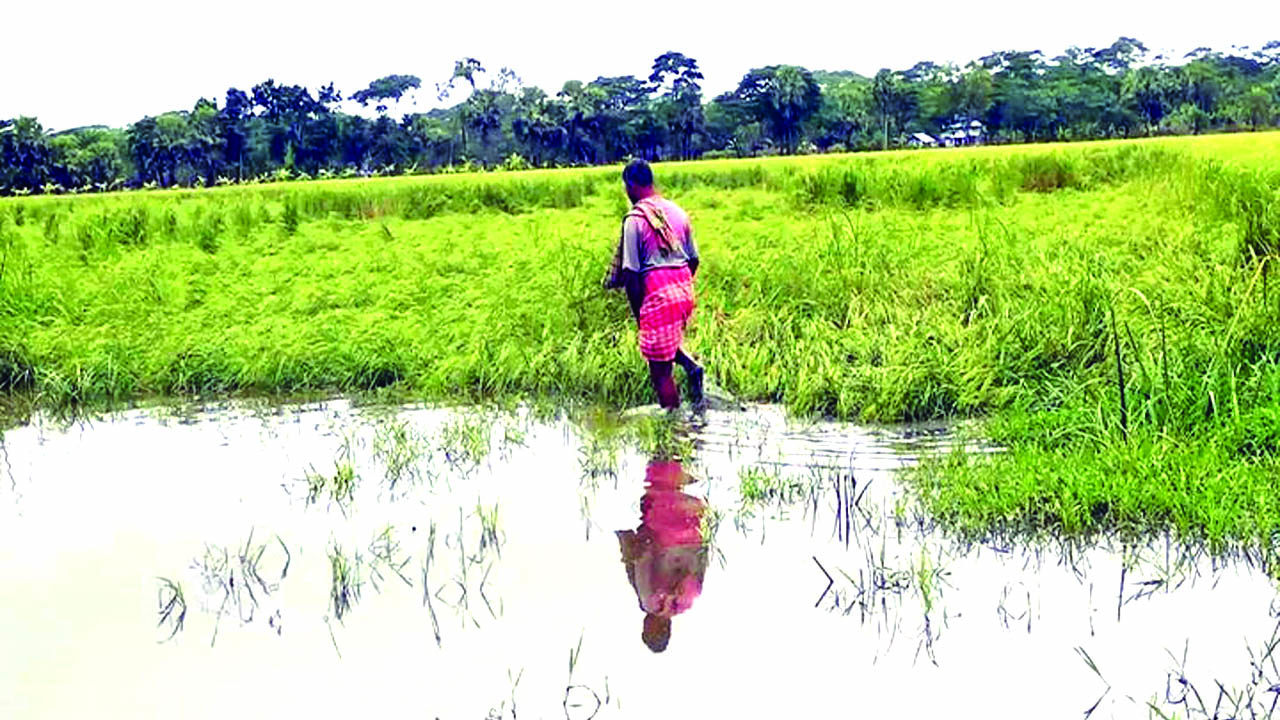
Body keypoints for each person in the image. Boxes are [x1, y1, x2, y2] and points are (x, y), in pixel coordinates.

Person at [604, 159, 705, 410]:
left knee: (660, 372)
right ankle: (692, 367)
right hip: (683, 289)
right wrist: (677, 287)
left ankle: (673, 430)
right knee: (666, 341)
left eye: (626, 187)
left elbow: (631, 275)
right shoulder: (677, 211)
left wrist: (640, 315)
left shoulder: (634, 220)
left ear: (630, 185)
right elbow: (694, 259)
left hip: (658, 294)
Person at [616, 458, 709, 653]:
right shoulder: (649, 601)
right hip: (666, 523)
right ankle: (668, 446)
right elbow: (643, 557)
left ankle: (686, 449)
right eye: (646, 630)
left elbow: (704, 555)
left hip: (695, 526)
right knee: (661, 465)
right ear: (652, 629)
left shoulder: (687, 602)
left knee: (689, 470)